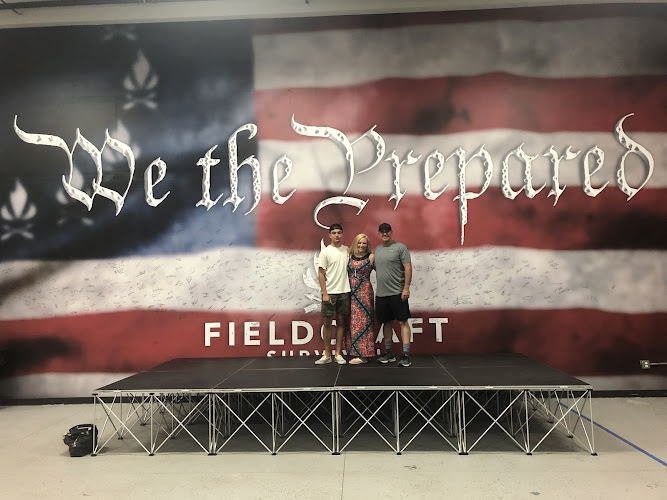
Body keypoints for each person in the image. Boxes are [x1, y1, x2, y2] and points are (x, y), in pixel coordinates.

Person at [374, 222, 413, 367]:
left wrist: (406, 287)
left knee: (403, 322)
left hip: (398, 292)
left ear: (391, 232)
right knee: (386, 323)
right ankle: (389, 353)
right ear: (379, 234)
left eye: (387, 231)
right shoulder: (377, 250)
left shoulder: (400, 248)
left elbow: (408, 268)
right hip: (381, 294)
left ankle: (406, 355)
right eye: (382, 232)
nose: (385, 234)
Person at [315, 223, 350, 365]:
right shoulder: (325, 252)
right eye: (334, 233)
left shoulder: (347, 250)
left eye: (339, 233)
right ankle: (327, 354)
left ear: (342, 234)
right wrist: (325, 293)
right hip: (330, 293)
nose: (337, 235)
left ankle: (338, 354)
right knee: (327, 323)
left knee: (341, 322)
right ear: (329, 235)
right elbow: (321, 274)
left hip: (344, 292)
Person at [346, 233, 375, 364]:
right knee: (352, 321)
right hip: (350, 291)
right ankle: (353, 352)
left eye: (364, 243)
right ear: (355, 243)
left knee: (365, 321)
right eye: (359, 242)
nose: (362, 245)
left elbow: (382, 271)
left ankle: (364, 355)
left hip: (364, 293)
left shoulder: (371, 257)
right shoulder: (348, 256)